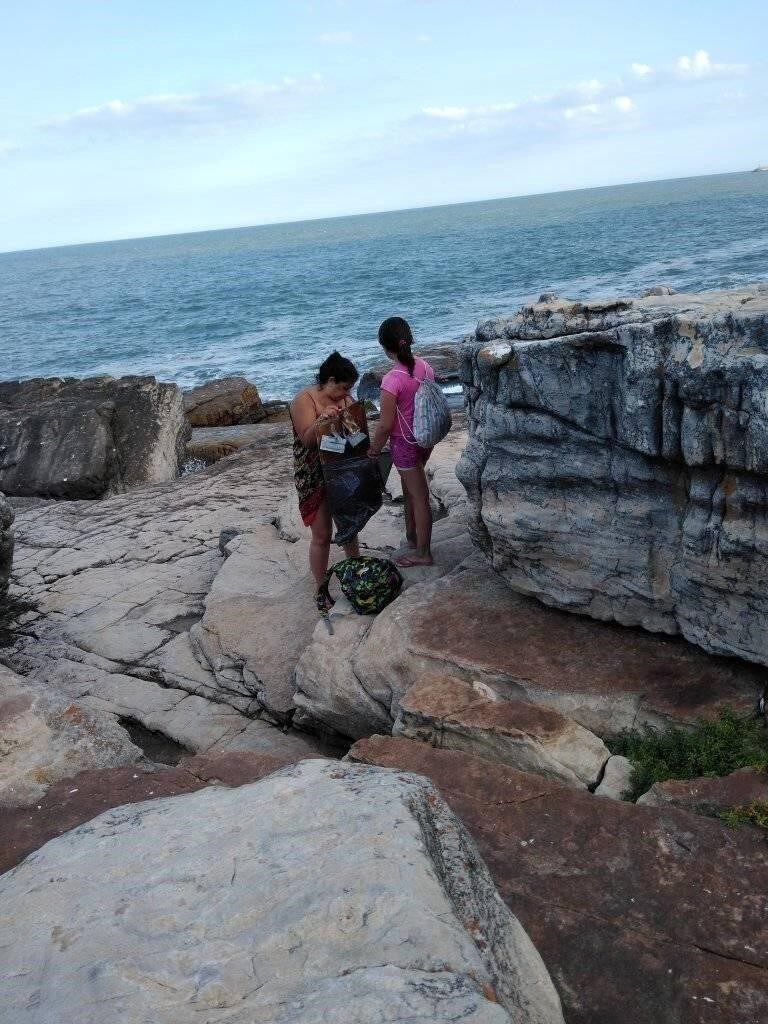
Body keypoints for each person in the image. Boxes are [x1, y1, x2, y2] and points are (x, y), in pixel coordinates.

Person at [290, 351, 364, 592]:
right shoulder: (304, 400)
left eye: (350, 389)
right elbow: (307, 439)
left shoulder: (344, 400)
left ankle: (358, 576)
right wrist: (322, 419)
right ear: (330, 381)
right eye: (343, 388)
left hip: (341, 468)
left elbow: (357, 436)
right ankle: (321, 587)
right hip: (313, 473)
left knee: (348, 527)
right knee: (322, 535)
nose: (347, 394)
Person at [368, 316, 434, 567]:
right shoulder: (425, 367)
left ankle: (423, 553)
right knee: (410, 491)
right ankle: (412, 538)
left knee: (419, 497)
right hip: (424, 438)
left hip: (404, 444)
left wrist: (374, 449)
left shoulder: (391, 380)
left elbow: (385, 425)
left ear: (385, 347)